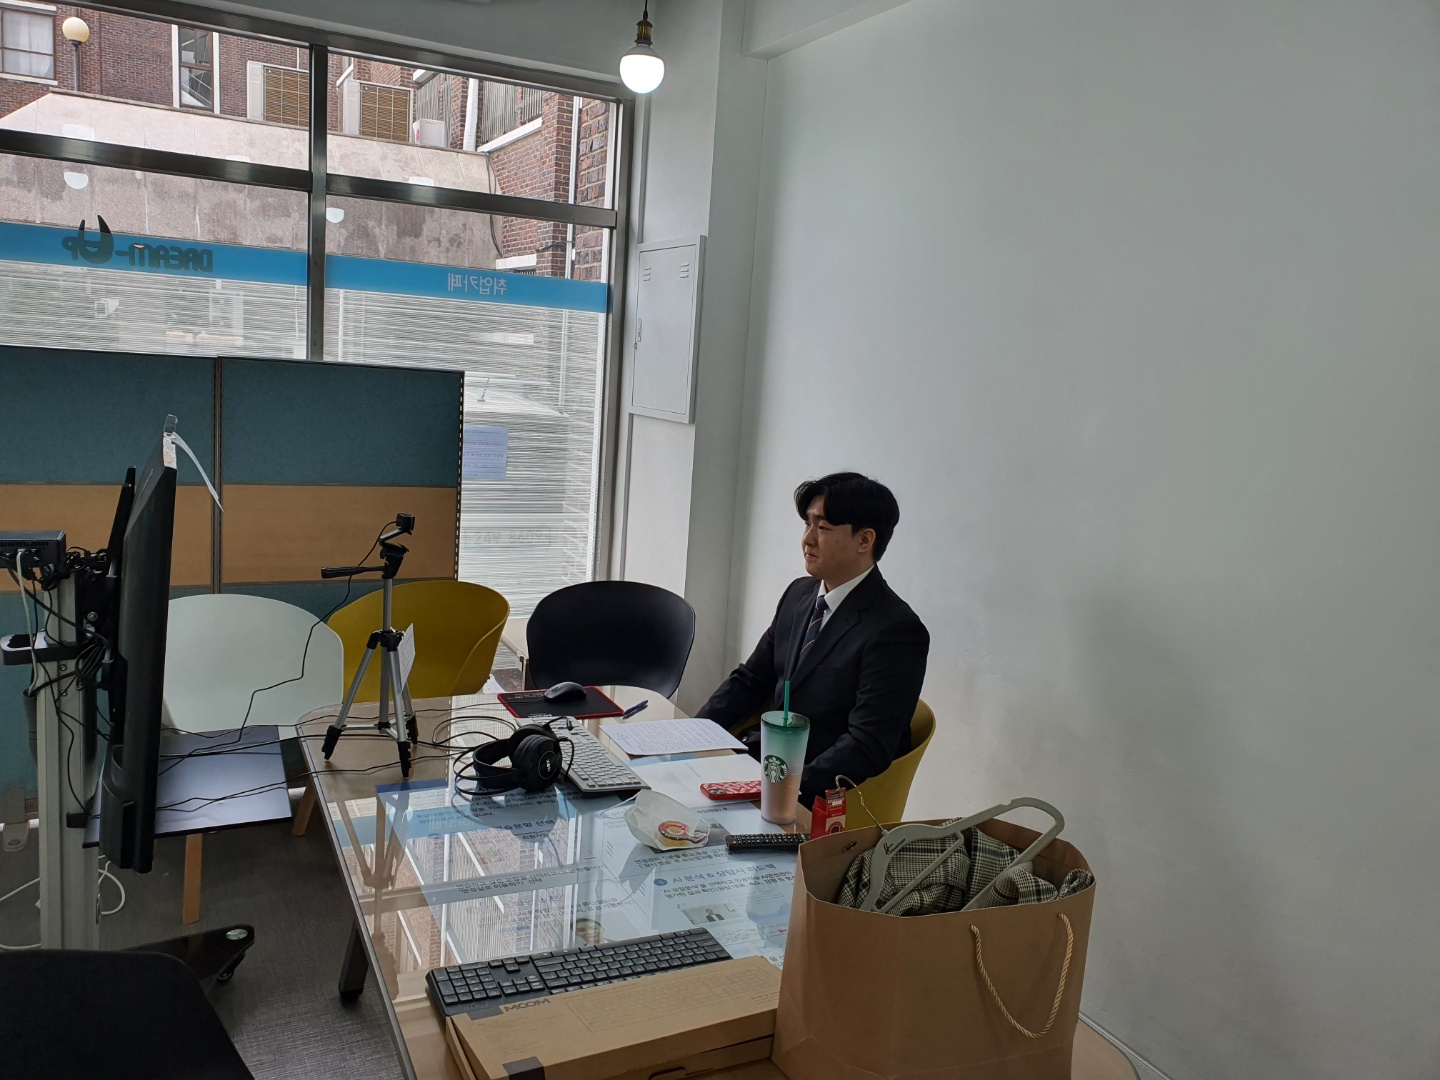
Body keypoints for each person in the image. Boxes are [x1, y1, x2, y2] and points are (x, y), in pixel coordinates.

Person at [699, 472, 929, 807]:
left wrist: (782, 789)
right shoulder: (799, 594)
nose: (807, 540)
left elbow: (867, 744)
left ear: (865, 540)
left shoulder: (896, 630)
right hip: (763, 762)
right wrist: (693, 734)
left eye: (822, 528)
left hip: (820, 792)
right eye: (807, 524)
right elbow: (751, 680)